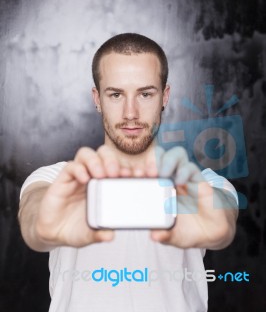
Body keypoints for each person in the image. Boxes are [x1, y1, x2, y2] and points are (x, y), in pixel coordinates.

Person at [18, 33, 238, 312]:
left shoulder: (204, 183)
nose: (130, 112)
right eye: (116, 94)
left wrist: (217, 224)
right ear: (97, 98)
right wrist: (43, 223)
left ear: (164, 97)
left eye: (145, 94)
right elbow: (34, 213)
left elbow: (223, 215)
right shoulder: (55, 179)